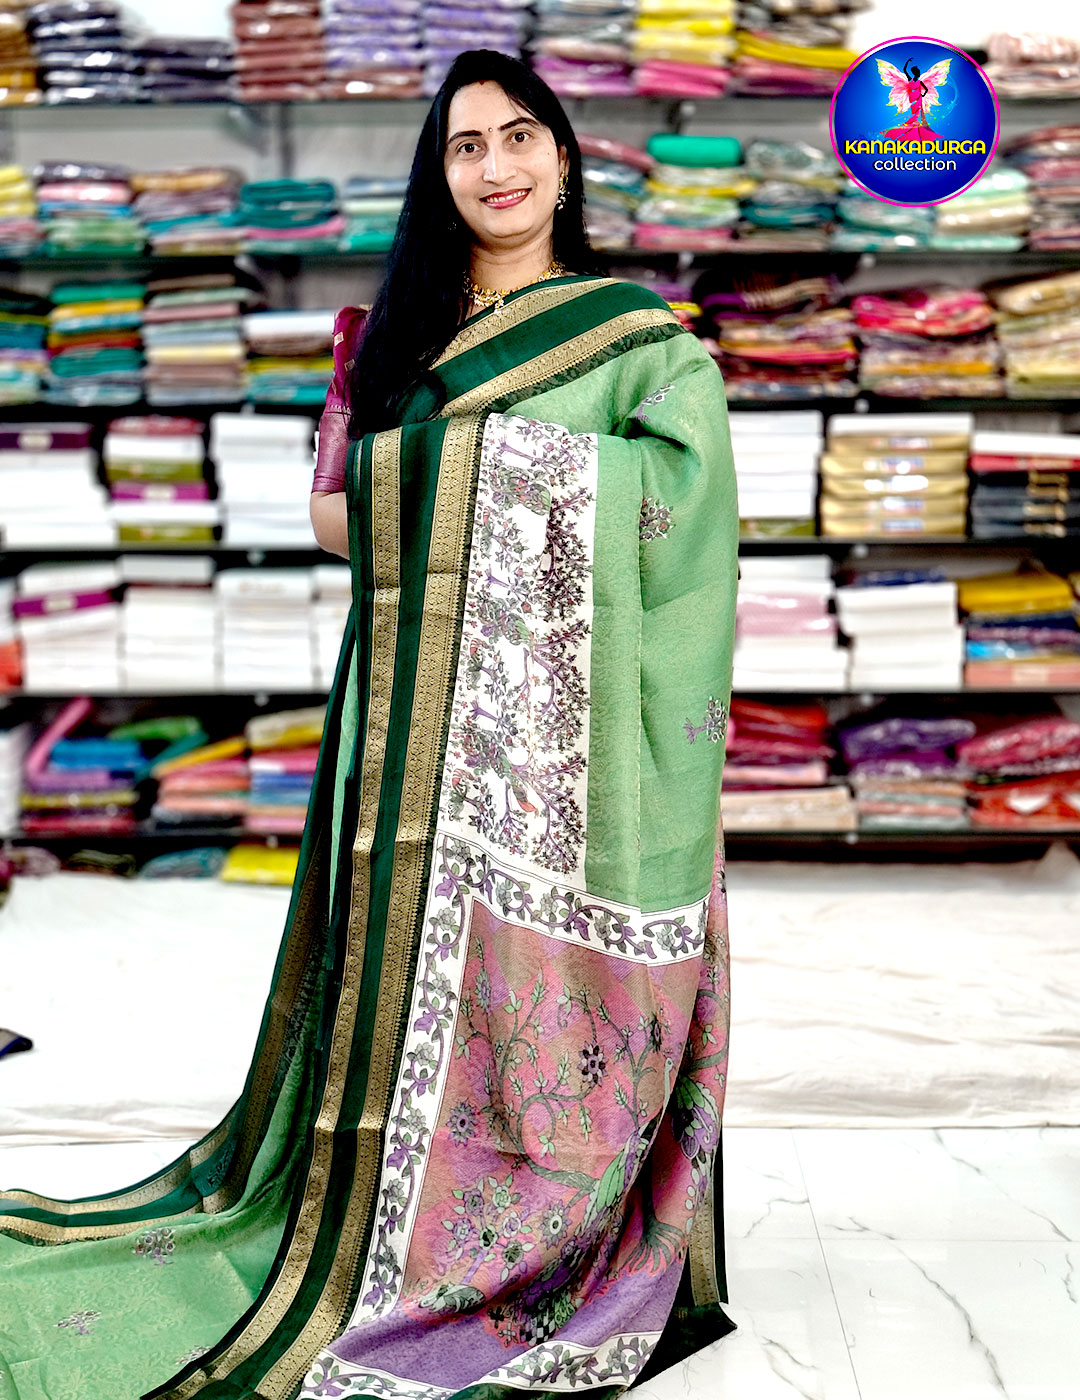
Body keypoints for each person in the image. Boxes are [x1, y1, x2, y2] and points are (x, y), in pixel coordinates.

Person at [0, 49, 738, 1400]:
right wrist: (464, 480)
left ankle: (530, 1228)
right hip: (407, 724)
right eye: (467, 146)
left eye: (521, 135)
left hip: (565, 754)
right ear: (437, 175)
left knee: (531, 1019)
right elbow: (334, 514)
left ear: (566, 156)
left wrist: (467, 480)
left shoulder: (640, 339)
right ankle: (375, 1223)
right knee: (394, 994)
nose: (499, 166)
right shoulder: (385, 337)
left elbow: (684, 510)